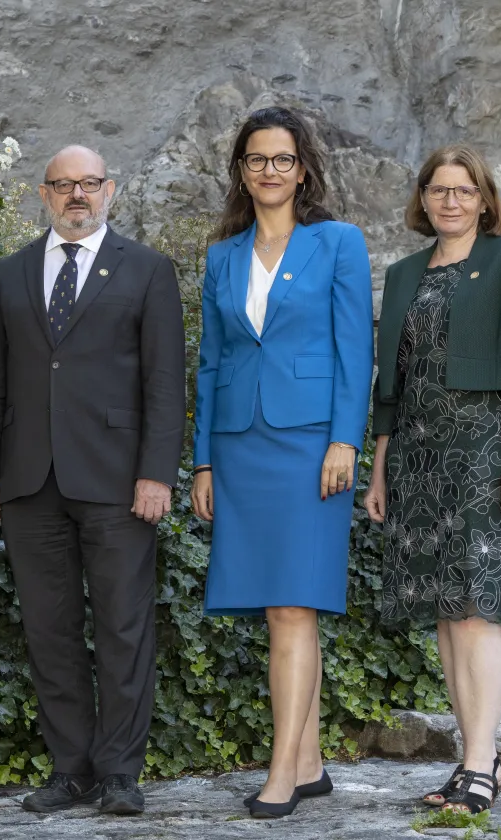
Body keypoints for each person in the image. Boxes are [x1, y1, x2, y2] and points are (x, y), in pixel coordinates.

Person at [0, 145, 186, 817]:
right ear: (44, 193)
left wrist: (156, 472)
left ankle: (120, 772)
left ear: (109, 190)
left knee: (123, 628)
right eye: (63, 186)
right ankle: (73, 770)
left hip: (119, 481)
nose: (76, 196)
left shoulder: (147, 270)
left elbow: (164, 384)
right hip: (30, 482)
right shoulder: (11, 275)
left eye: (88, 184)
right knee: (50, 630)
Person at [190, 106, 374, 819]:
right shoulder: (222, 255)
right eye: (257, 159)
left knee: (295, 603)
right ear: (241, 170)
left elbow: (354, 350)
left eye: (283, 159)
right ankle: (308, 761)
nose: (270, 170)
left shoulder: (338, 243)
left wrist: (344, 440)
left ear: (304, 170)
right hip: (241, 445)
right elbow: (211, 363)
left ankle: (280, 774)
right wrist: (203, 461)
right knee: (279, 609)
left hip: (308, 446)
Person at [364, 145, 501, 816]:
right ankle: (474, 758)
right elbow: (393, 382)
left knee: (477, 608)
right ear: (422, 199)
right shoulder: (405, 271)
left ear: (484, 199)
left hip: (483, 447)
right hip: (415, 454)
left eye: (463, 191)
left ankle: (479, 762)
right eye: (439, 190)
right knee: (446, 615)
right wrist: (380, 468)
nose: (450, 201)